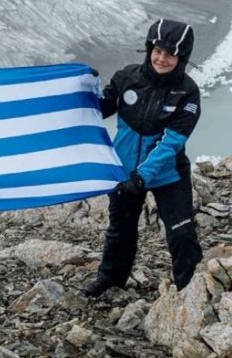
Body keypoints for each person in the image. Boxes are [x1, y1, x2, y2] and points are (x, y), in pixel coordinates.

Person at [84, 18, 204, 297]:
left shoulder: (188, 92)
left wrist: (141, 177)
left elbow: (171, 142)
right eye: (157, 51)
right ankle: (110, 282)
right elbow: (98, 110)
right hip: (126, 172)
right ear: (149, 48)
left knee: (181, 233)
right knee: (120, 232)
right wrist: (86, 86)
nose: (161, 58)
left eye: (170, 53)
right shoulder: (127, 78)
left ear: (181, 56)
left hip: (168, 174)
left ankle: (191, 291)